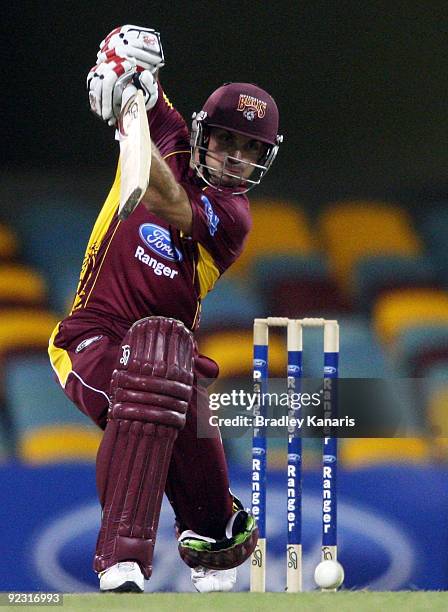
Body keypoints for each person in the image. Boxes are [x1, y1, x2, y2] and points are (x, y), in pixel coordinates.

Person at [48, 25, 282, 594]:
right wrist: (120, 68)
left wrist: (132, 118)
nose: (236, 158)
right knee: (146, 374)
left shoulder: (234, 216)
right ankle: (121, 561)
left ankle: (213, 534)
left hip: (170, 356)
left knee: (162, 364)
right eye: (228, 140)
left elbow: (165, 199)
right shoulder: (170, 132)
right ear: (202, 132)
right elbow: (134, 72)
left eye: (252, 150)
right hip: (91, 335)